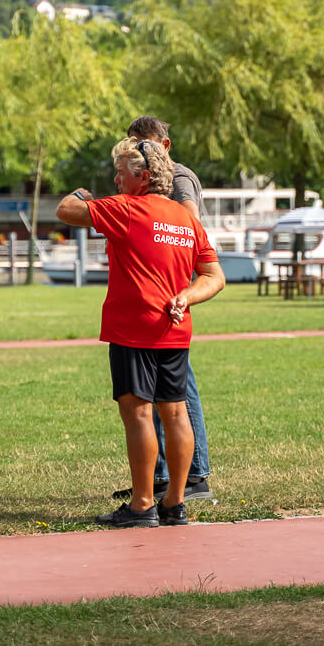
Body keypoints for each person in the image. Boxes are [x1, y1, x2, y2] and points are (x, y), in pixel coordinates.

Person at [57, 137, 225, 527]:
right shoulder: (186, 219)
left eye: (120, 172)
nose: (116, 180)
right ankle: (175, 503)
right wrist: (186, 295)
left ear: (143, 177)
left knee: (139, 415)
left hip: (134, 329)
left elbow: (67, 211)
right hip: (175, 329)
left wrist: (79, 193)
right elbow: (214, 277)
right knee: (176, 413)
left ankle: (142, 505)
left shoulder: (127, 209)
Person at [113, 115, 214, 503]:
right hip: (156, 293)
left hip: (173, 294)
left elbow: (189, 222)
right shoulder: (140, 178)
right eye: (132, 144)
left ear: (164, 147)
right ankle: (157, 479)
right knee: (152, 396)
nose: (138, 151)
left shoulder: (179, 177)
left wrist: (151, 221)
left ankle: (194, 477)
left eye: (145, 145)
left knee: (178, 392)